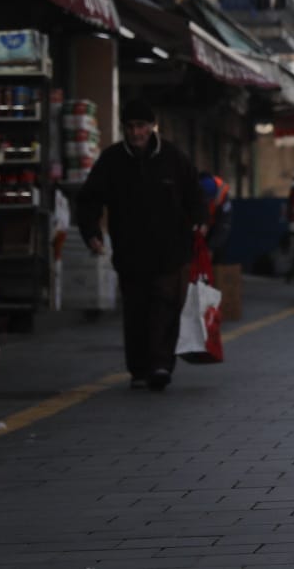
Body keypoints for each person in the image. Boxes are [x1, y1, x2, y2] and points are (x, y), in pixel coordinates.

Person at [76, 99, 207, 392]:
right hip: (130, 251)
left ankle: (161, 365)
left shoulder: (174, 158)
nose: (136, 132)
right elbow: (88, 199)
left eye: (141, 126)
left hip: (170, 250)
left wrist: (200, 221)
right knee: (136, 310)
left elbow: (194, 194)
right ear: (124, 128)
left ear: (152, 127)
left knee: (164, 306)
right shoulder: (111, 161)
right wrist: (92, 232)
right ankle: (139, 368)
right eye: (131, 127)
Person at [198, 171, 233, 262]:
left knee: (218, 251)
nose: (208, 202)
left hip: (215, 227)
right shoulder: (191, 192)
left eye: (209, 200)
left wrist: (211, 247)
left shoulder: (222, 196)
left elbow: (224, 225)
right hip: (200, 225)